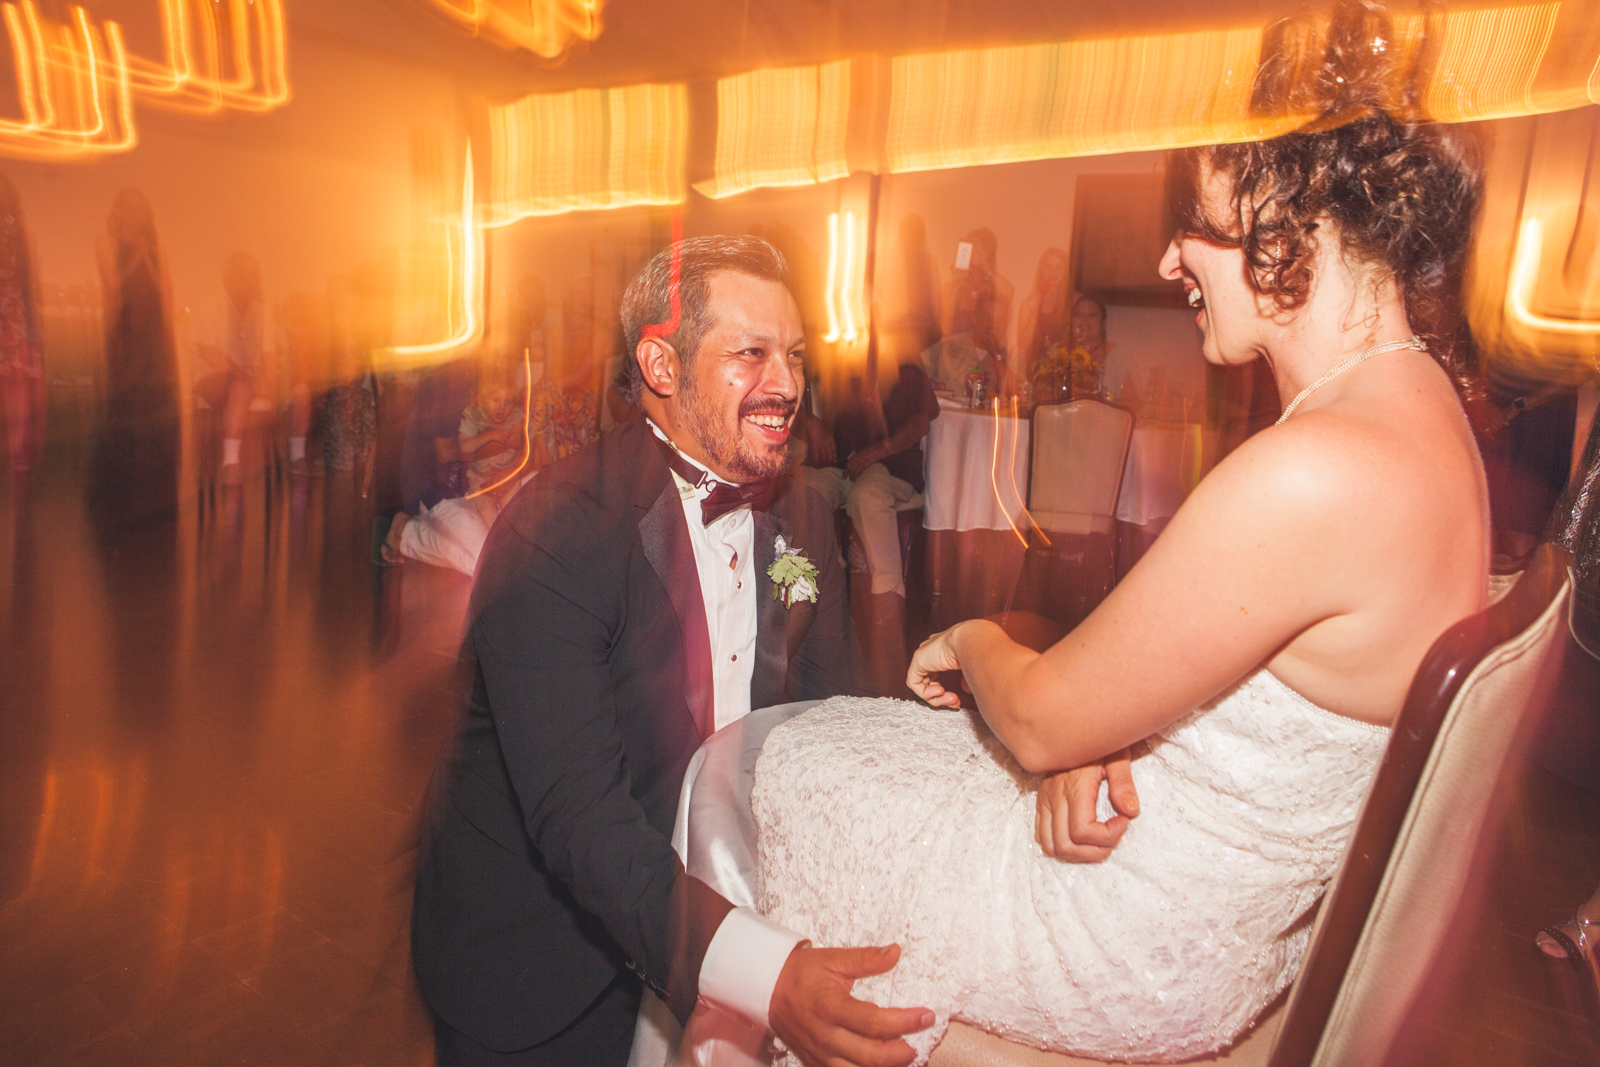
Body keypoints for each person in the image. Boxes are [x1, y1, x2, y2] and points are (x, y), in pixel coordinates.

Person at [751, 7, 1488, 1063]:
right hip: (1215, 919)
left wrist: (966, 637)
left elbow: (1039, 718)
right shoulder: (1422, 415)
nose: (1169, 255)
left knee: (778, 769)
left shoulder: (1317, 468)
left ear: (1294, 214)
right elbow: (1222, 690)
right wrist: (1106, 733)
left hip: (1120, 939)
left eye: (1195, 220)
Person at [410, 236, 931, 1067]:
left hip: (723, 924)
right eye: (751, 354)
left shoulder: (803, 518)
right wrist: (766, 974)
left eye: (795, 355)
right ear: (662, 365)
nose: (788, 383)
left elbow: (827, 731)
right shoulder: (557, 533)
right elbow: (582, 820)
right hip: (541, 968)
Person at [87, 189, 179, 531]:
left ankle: (153, 494)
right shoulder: (104, 241)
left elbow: (165, 293)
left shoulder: (158, 248)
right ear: (118, 210)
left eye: (141, 208)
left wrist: (168, 342)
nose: (135, 214)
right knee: (124, 406)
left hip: (154, 335)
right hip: (123, 333)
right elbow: (113, 286)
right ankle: (117, 493)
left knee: (155, 408)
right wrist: (136, 255)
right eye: (129, 208)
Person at [0, 173, 42, 487]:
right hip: (12, 318)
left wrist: (34, 335)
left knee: (17, 395)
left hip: (13, 320)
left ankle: (18, 458)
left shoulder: (20, 234)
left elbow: (29, 284)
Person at [1015, 247, 1070, 379]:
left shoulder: (1070, 306)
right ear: (1042, 270)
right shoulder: (1027, 304)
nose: (1053, 272)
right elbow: (1023, 346)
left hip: (1060, 376)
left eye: (1058, 267)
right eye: (1048, 266)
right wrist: (1034, 312)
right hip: (1032, 375)